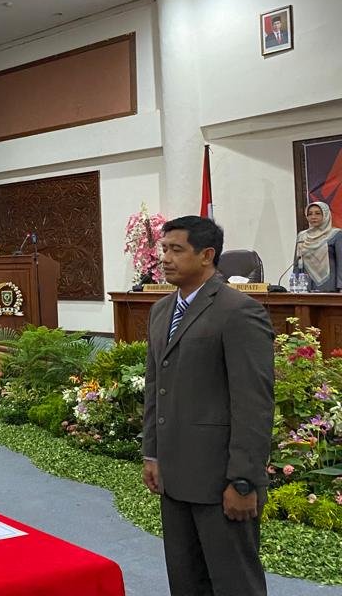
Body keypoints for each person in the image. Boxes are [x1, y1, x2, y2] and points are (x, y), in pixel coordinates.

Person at [142, 216, 274, 596]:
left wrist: (243, 480)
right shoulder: (161, 311)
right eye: (164, 249)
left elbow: (253, 403)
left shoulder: (238, 311)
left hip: (221, 481)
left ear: (206, 255)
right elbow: (155, 388)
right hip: (174, 476)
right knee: (186, 582)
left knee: (235, 584)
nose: (166, 258)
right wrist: (152, 454)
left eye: (176, 250)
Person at [295, 201, 341, 292]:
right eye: (310, 214)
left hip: (330, 287)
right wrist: (296, 285)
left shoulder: (336, 235)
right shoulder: (302, 236)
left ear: (326, 215)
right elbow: (296, 264)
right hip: (306, 287)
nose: (313, 217)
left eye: (318, 213)